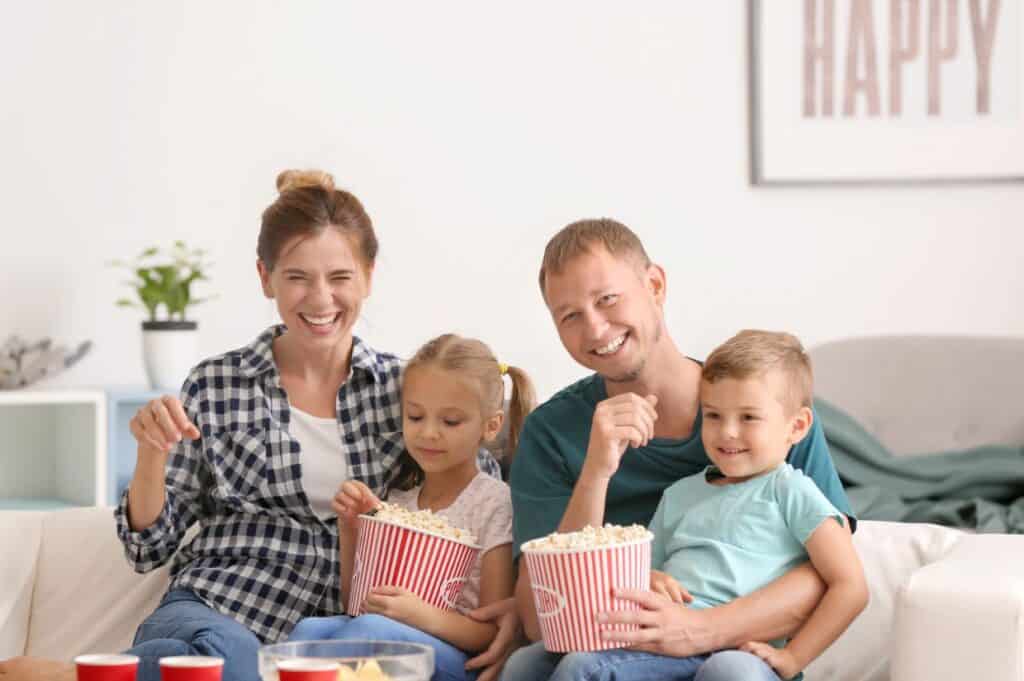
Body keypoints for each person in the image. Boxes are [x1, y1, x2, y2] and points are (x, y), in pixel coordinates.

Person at [0, 170, 506, 681]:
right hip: (220, 601)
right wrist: (151, 454)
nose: (320, 299)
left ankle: (79, 675)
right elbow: (146, 547)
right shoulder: (218, 383)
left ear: (369, 277)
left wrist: (505, 609)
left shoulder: (406, 392)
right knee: (227, 657)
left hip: (333, 629)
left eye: (339, 278)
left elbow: (474, 492)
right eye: (297, 277)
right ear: (266, 277)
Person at [501, 219, 857, 681]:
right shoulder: (552, 432)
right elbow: (538, 618)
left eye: (608, 299)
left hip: (731, 649)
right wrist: (595, 472)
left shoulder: (770, 414)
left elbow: (831, 576)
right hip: (622, 637)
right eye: (569, 316)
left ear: (654, 285)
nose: (594, 328)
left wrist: (699, 630)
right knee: (527, 665)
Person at [288, 333, 536, 681]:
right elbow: (356, 604)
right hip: (384, 638)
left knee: (369, 632)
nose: (429, 433)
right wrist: (351, 528)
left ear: (491, 426)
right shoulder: (399, 502)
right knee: (308, 631)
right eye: (416, 417)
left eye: (450, 422)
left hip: (456, 661)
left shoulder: (494, 504)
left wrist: (417, 614)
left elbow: (491, 633)